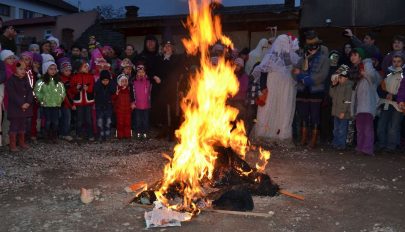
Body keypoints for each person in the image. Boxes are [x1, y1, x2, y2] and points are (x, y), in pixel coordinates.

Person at [250, 34, 300, 145]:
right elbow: (263, 71)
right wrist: (263, 87)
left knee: (284, 108)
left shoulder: (290, 57)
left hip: (285, 88)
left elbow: (295, 71)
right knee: (269, 107)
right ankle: (265, 134)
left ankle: (282, 135)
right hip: (272, 87)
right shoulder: (271, 56)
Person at [295, 32, 330, 148]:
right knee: (303, 115)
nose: (312, 49)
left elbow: (322, 75)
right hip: (302, 91)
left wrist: (305, 79)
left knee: (315, 116)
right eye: (310, 46)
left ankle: (313, 140)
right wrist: (301, 77)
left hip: (315, 91)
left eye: (314, 46)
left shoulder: (324, 59)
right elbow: (294, 71)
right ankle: (303, 138)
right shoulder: (302, 59)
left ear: (318, 46)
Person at [350, 48, 381, 156]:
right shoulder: (355, 71)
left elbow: (373, 78)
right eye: (351, 55)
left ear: (361, 56)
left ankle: (367, 149)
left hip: (368, 105)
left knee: (367, 129)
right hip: (359, 106)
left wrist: (366, 65)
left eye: (355, 55)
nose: (352, 57)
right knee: (360, 129)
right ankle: (360, 148)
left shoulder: (367, 68)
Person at [376, 55, 404, 151]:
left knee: (393, 127)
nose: (396, 63)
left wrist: (394, 97)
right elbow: (380, 88)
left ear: (403, 62)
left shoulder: (403, 75)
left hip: (398, 105)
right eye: (394, 61)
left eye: (399, 61)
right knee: (381, 125)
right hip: (385, 102)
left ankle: (391, 147)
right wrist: (386, 94)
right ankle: (382, 144)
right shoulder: (388, 74)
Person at [34, 61, 65, 142]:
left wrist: (61, 99)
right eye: (51, 69)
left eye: (55, 69)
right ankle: (46, 136)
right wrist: (42, 99)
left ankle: (54, 136)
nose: (53, 71)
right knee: (47, 121)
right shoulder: (41, 81)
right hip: (46, 104)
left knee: (55, 121)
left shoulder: (58, 81)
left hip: (56, 104)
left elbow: (63, 91)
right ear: (46, 69)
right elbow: (36, 91)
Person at [6, 61, 33, 151]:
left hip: (25, 107)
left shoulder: (25, 79)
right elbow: (12, 94)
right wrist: (21, 103)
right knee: (14, 126)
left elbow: (30, 91)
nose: (23, 71)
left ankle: (21, 142)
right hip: (15, 108)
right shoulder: (11, 80)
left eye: (24, 69)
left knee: (23, 125)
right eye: (20, 69)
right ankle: (12, 144)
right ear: (14, 69)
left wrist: (28, 102)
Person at [135, 35, 162, 127]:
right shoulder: (141, 56)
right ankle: (144, 124)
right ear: (145, 43)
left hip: (158, 85)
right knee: (144, 104)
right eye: (148, 41)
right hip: (144, 85)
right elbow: (139, 70)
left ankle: (156, 122)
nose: (150, 43)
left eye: (152, 41)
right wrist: (152, 76)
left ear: (156, 43)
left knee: (157, 103)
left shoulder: (159, 56)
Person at [69, 62, 95, 141]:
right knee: (79, 120)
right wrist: (76, 88)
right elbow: (71, 90)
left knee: (88, 119)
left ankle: (90, 135)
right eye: (85, 67)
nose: (87, 68)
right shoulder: (74, 77)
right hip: (78, 102)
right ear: (80, 68)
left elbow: (93, 88)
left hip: (88, 102)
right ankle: (79, 134)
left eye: (87, 66)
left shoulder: (91, 77)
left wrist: (88, 89)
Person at [329, 64, 353, 150]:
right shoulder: (337, 86)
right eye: (338, 77)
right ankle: (335, 143)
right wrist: (333, 85)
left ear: (346, 77)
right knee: (336, 129)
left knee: (342, 130)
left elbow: (348, 100)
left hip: (343, 113)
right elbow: (331, 95)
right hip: (336, 112)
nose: (338, 79)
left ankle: (341, 145)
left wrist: (343, 111)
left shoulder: (348, 86)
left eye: (340, 77)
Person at [1, 49, 17, 146]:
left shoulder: (13, 68)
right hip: (7, 98)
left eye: (13, 58)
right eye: (9, 58)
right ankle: (4, 140)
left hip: (12, 98)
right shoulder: (6, 70)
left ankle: (8, 139)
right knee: (6, 120)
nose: (12, 60)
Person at [94, 70, 115, 141]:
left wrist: (111, 82)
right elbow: (95, 90)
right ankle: (101, 135)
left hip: (108, 106)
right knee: (100, 121)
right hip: (99, 106)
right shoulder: (98, 85)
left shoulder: (110, 85)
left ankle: (107, 134)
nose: (105, 82)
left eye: (107, 80)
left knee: (108, 121)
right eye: (103, 80)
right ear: (101, 80)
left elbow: (113, 90)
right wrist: (99, 83)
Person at [113, 74, 135, 139]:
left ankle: (127, 135)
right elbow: (113, 100)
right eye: (123, 81)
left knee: (128, 123)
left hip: (128, 110)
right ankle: (120, 135)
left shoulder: (129, 90)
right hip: (120, 111)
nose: (124, 82)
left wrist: (132, 104)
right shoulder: (117, 90)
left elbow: (132, 98)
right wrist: (116, 94)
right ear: (119, 82)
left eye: (125, 81)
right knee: (120, 123)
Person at [228, 58, 249, 127]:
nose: (236, 67)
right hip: (230, 99)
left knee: (239, 114)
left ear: (241, 67)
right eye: (235, 65)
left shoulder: (244, 76)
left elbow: (244, 88)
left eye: (238, 65)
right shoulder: (229, 74)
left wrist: (234, 89)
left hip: (239, 100)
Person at [133, 64, 151, 139]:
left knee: (145, 120)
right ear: (136, 73)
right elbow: (132, 93)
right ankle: (138, 133)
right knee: (138, 120)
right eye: (139, 72)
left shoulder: (148, 82)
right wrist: (133, 102)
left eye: (142, 72)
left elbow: (150, 93)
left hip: (146, 105)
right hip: (137, 105)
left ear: (145, 73)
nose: (141, 74)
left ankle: (145, 133)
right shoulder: (134, 82)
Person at [57, 57, 74, 141]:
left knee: (66, 118)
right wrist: (70, 104)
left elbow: (71, 92)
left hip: (68, 102)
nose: (68, 72)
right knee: (66, 118)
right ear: (62, 70)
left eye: (69, 70)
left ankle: (63, 133)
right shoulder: (60, 80)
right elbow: (64, 94)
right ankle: (64, 133)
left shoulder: (70, 78)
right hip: (64, 103)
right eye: (66, 70)